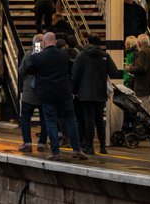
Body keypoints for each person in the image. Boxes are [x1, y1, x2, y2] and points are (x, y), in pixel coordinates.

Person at [21, 30, 85, 160]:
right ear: (55, 42)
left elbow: (29, 68)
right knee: (71, 120)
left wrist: (38, 51)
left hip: (47, 94)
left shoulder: (39, 56)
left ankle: (55, 152)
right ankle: (76, 149)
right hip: (64, 93)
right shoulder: (63, 55)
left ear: (44, 43)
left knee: (50, 121)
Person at [72, 34, 119, 155]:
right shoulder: (105, 55)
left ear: (88, 41)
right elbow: (114, 71)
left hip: (85, 92)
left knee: (88, 119)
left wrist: (74, 90)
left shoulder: (81, 55)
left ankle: (89, 146)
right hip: (100, 92)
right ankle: (103, 146)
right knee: (99, 119)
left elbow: (75, 74)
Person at [16, 34, 48, 153]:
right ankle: (42, 143)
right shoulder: (46, 54)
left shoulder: (29, 54)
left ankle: (28, 143)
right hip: (44, 91)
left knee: (25, 118)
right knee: (45, 119)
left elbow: (21, 71)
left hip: (29, 92)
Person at [129, 34, 150, 112]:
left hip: (143, 89)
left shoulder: (143, 52)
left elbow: (141, 68)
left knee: (142, 112)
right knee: (149, 112)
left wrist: (130, 68)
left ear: (139, 43)